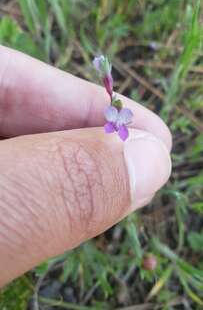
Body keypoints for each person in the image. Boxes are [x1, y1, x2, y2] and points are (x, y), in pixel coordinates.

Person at [0, 45, 172, 287]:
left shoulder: (118, 122)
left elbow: (116, 123)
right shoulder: (115, 122)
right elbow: (113, 124)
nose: (116, 124)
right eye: (115, 121)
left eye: (118, 122)